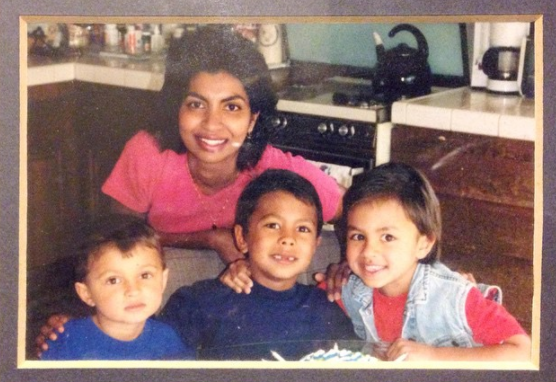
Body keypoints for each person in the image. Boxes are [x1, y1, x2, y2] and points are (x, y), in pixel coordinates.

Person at [102, 26, 344, 265]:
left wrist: (345, 267)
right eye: (196, 104)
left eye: (231, 107)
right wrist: (209, 239)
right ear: (177, 107)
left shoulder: (272, 168)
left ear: (252, 119)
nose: (211, 124)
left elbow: (351, 208)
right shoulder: (148, 153)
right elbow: (117, 235)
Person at [338, 162, 531, 361]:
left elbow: (523, 351)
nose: (369, 251)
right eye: (358, 237)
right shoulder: (350, 291)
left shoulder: (453, 297)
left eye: (388, 237)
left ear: (424, 244)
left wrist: (434, 355)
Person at [157, 169, 357, 360]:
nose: (288, 239)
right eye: (273, 225)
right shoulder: (198, 302)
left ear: (315, 245)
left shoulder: (327, 309)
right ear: (241, 238)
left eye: (302, 229)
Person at [40, 215, 194, 360]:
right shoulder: (66, 341)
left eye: (145, 275)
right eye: (113, 280)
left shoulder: (168, 339)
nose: (133, 290)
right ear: (87, 294)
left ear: (163, 280)